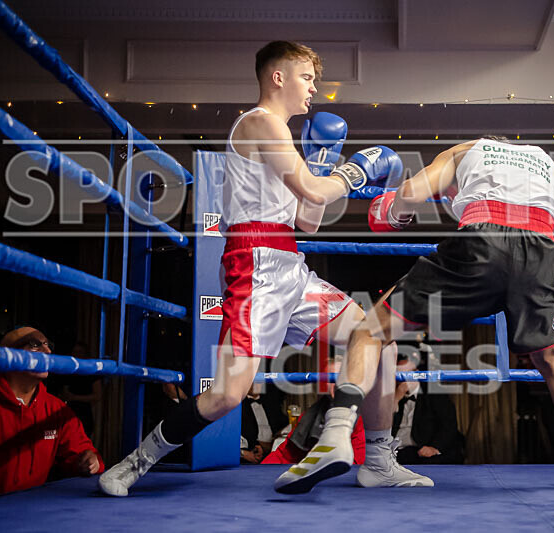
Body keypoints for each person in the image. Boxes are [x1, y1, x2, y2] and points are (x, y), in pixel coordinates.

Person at [99, 40, 423, 496]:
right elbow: (314, 192)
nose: (314, 88)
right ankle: (133, 464)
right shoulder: (259, 122)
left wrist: (325, 159)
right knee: (227, 396)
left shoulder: (285, 138)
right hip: (254, 262)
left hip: (289, 260)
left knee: (376, 339)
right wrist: (353, 171)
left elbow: (307, 219)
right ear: (278, 77)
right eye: (307, 77)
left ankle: (378, 461)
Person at [276, 136, 554, 493]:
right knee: (551, 359)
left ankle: (336, 436)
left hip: (482, 242)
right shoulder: (548, 162)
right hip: (542, 252)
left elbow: (411, 191)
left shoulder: (463, 150)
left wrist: (395, 212)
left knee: (370, 330)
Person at [0, 327, 103, 502]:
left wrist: (88, 460)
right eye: (35, 344)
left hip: (33, 514)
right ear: (8, 356)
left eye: (48, 345)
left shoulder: (55, 409)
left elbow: (83, 454)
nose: (48, 351)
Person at [262, 359, 366, 465]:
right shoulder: (310, 416)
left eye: (342, 377)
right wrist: (261, 473)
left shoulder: (363, 416)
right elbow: (285, 455)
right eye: (331, 378)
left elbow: (357, 463)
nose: (337, 383)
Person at [392, 358, 464, 465]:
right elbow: (380, 425)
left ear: (416, 374)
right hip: (395, 451)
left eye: (406, 374)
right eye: (399, 375)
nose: (402, 379)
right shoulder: (392, 397)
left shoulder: (434, 395)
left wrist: (434, 448)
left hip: (421, 451)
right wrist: (396, 398)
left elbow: (449, 425)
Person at [60, 342, 102, 440]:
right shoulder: (69, 371)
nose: (77, 355)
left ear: (85, 354)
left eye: (80, 352)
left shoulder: (92, 372)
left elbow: (98, 395)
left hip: (84, 414)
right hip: (69, 412)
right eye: (75, 352)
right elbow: (64, 392)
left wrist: (75, 397)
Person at [240, 383, 287, 464]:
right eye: (253, 381)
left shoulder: (270, 402)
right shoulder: (239, 404)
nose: (257, 384)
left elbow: (283, 424)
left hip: (274, 448)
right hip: (253, 451)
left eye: (259, 380)